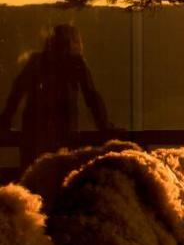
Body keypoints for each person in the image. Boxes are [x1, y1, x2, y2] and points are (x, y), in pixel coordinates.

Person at [0, 24, 113, 168]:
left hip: (34, 136)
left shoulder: (37, 62)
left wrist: (5, 120)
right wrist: (104, 126)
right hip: (62, 136)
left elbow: (17, 92)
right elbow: (91, 96)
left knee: (33, 178)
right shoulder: (74, 63)